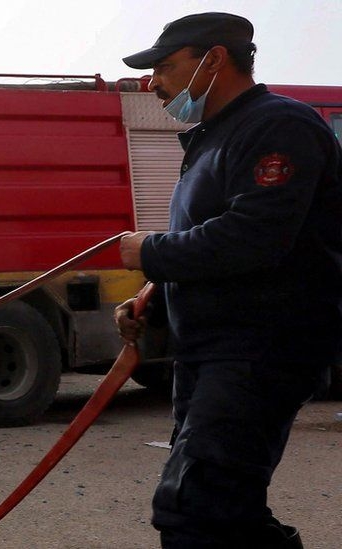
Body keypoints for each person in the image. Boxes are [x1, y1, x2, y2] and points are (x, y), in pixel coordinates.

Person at [115, 12, 342, 549]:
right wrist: (154, 293)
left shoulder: (278, 126)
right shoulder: (211, 138)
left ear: (214, 59)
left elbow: (254, 237)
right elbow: (214, 246)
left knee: (193, 509)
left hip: (260, 349)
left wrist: (150, 252)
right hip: (210, 353)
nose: (152, 84)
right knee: (224, 510)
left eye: (166, 67)